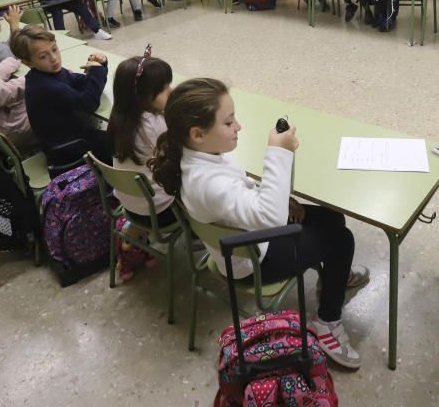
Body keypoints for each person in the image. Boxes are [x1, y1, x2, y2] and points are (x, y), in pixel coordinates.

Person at [149, 78, 370, 370]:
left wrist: (275, 192)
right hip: (253, 261)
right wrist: (279, 153)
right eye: (229, 122)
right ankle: (327, 322)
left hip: (246, 241)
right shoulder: (208, 183)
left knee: (331, 216)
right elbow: (270, 220)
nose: (238, 126)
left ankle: (334, 279)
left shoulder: (200, 158)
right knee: (342, 239)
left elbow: (241, 195)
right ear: (198, 134)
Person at [107, 45, 174, 281]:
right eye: (165, 89)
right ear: (143, 98)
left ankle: (132, 231)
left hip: (129, 204)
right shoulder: (156, 126)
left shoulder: (118, 118)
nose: (172, 91)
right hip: (162, 212)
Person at [11, 25, 111, 165]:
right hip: (67, 149)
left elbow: (82, 82)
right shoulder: (46, 86)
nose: (53, 58)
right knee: (123, 141)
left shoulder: (47, 72)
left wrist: (100, 65)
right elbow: (89, 104)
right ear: (28, 62)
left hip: (69, 138)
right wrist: (97, 71)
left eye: (54, 49)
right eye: (43, 56)